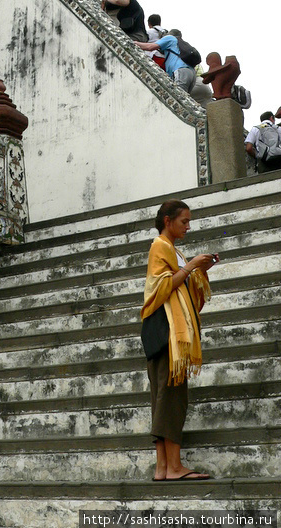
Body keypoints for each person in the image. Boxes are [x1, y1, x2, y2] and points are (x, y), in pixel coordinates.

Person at [142, 200, 215, 480]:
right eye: (184, 221)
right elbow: (158, 289)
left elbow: (189, 299)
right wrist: (191, 266)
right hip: (167, 334)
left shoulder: (175, 251)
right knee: (172, 397)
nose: (188, 226)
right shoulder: (160, 245)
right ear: (168, 221)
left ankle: (163, 467)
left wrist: (200, 271)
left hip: (173, 333)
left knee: (165, 397)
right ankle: (173, 466)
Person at [135, 29, 196, 93]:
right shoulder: (180, 45)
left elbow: (150, 47)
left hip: (180, 70)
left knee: (177, 96)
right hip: (192, 73)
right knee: (183, 99)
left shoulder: (170, 38)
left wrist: (135, 43)